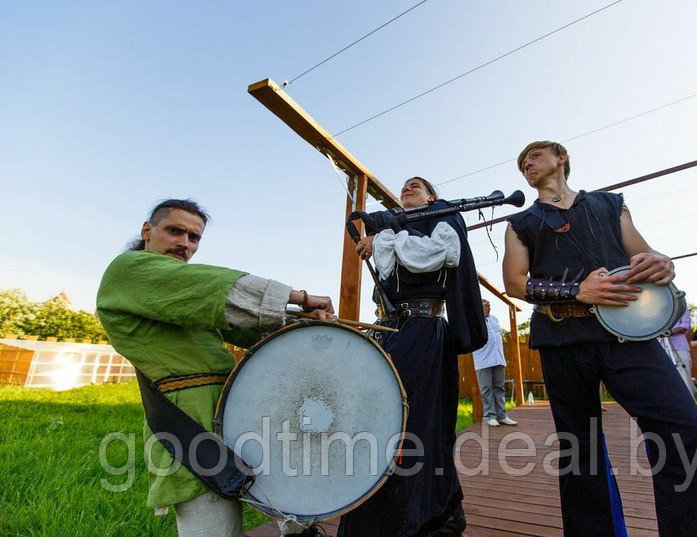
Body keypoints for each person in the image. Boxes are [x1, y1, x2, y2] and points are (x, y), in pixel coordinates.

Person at [503, 140, 697, 536]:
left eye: (534, 156)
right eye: (522, 163)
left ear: (561, 158)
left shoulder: (609, 204)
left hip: (629, 335)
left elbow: (645, 254)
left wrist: (662, 263)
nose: (527, 164)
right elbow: (515, 282)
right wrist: (575, 291)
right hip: (561, 339)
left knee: (686, 431)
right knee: (580, 452)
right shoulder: (521, 223)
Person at [96, 199, 334, 537]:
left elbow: (246, 325)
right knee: (213, 526)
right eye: (175, 231)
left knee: (295, 509)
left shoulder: (187, 296)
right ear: (147, 231)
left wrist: (301, 320)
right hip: (189, 423)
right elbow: (207, 288)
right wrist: (299, 298)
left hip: (237, 413)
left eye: (194, 237)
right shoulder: (129, 270)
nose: (185, 243)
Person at [339, 177, 487, 537]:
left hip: (423, 329)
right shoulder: (391, 223)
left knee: (411, 421)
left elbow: (438, 253)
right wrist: (381, 235)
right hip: (390, 331)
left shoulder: (443, 215)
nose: (407, 189)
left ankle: (418, 517)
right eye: (404, 186)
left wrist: (385, 237)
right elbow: (389, 272)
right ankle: (428, 512)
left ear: (431, 196)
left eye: (416, 186)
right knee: (387, 419)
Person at [472, 299, 518, 427]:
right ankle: (490, 416)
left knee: (499, 387)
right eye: (486, 305)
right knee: (486, 388)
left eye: (489, 305)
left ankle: (502, 415)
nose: (489, 307)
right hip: (483, 360)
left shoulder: (494, 319)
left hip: (498, 358)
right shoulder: (475, 321)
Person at [661, 307, 695, 396]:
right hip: (661, 347)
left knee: (684, 376)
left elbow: (685, 326)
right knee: (664, 377)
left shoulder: (681, 308)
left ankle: (688, 403)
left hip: (679, 347)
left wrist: (669, 332)